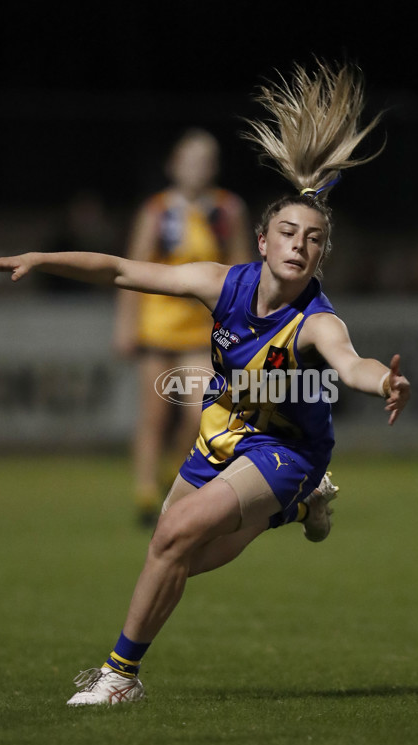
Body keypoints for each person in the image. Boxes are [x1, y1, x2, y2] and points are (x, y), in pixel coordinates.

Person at [0, 60, 411, 706]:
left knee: (175, 537)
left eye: (312, 239)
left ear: (321, 254)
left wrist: (384, 383)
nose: (298, 244)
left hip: (286, 450)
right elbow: (123, 270)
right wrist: (42, 258)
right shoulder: (221, 282)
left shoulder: (317, 321)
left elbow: (350, 363)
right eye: (288, 231)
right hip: (221, 433)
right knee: (177, 553)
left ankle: (119, 676)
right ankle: (292, 510)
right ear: (262, 240)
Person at [113, 129, 252, 526]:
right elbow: (132, 270)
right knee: (154, 414)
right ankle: (144, 495)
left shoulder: (228, 209)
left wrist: (243, 326)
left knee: (197, 413)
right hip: (157, 328)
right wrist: (125, 325)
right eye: (190, 159)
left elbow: (241, 269)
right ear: (174, 164)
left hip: (202, 331)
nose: (198, 167)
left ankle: (174, 471)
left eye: (206, 159)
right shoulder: (156, 211)